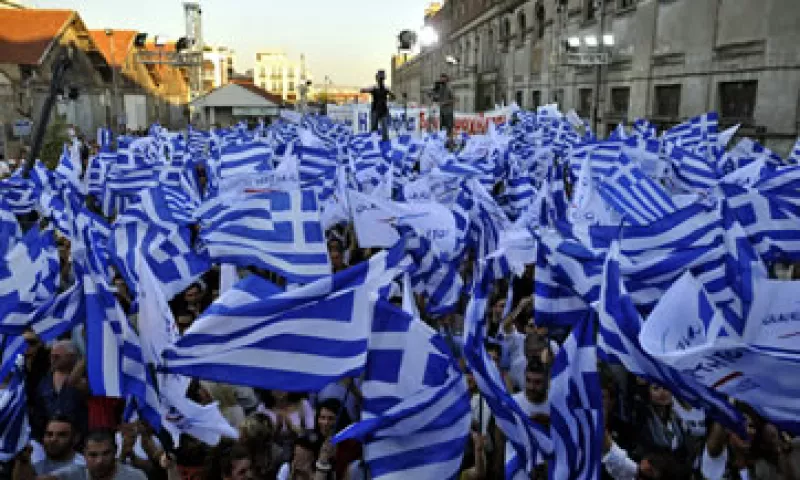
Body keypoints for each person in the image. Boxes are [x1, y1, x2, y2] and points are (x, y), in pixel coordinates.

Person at [43, 429, 146, 480]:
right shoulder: (75, 474)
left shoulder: (135, 477)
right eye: (93, 455)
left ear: (115, 452)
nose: (99, 461)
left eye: (106, 454)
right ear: (84, 455)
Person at [360, 70, 395, 142]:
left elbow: (393, 96)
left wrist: (391, 96)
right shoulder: (376, 87)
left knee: (381, 128)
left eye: (381, 78)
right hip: (377, 110)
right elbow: (364, 90)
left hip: (381, 110)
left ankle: (379, 142)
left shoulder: (384, 88)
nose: (380, 79)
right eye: (380, 77)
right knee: (376, 128)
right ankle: (375, 143)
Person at [436, 73, 455, 146]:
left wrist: (444, 103)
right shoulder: (441, 88)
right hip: (442, 112)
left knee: (449, 128)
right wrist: (435, 98)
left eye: (442, 78)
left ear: (446, 79)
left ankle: (451, 143)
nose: (441, 80)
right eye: (440, 78)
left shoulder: (449, 87)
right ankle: (445, 142)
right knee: (443, 128)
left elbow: (454, 99)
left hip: (448, 112)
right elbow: (439, 98)